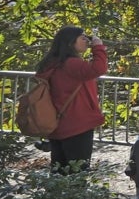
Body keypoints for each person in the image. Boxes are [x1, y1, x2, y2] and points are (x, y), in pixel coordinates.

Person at [35, 26, 108, 173]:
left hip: (57, 123)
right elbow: (98, 69)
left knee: (59, 169)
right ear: (70, 42)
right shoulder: (71, 64)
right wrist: (98, 47)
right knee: (77, 171)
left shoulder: (51, 63)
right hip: (78, 123)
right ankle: (73, 196)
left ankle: (56, 196)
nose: (86, 41)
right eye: (82, 38)